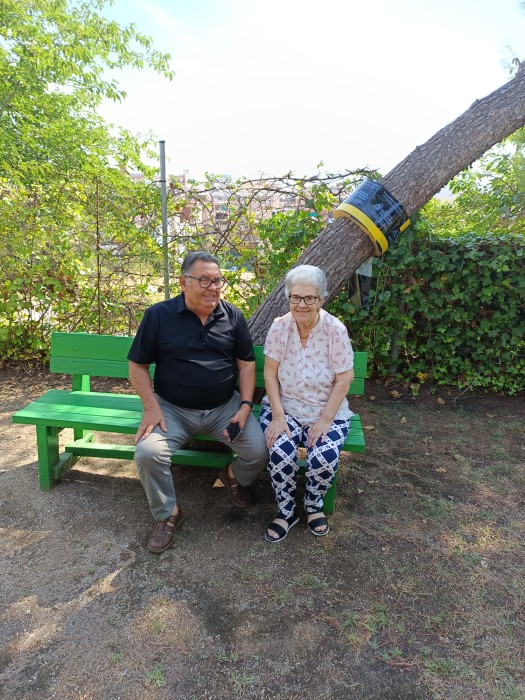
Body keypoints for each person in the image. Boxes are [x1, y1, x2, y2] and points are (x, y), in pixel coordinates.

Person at [128, 251, 268, 553]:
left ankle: (231, 475)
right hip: (172, 410)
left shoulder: (232, 316)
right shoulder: (158, 315)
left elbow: (246, 364)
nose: (212, 288)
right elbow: (137, 366)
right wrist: (151, 407)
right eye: (204, 280)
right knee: (148, 453)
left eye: (217, 281)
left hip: (224, 408)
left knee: (258, 452)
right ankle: (168, 514)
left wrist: (245, 406)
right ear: (183, 282)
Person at [260, 265, 355, 543]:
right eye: (295, 297)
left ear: (321, 299)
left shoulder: (335, 330)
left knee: (323, 457)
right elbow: (270, 373)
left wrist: (325, 420)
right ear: (289, 297)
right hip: (285, 408)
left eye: (309, 298)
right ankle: (286, 511)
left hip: (326, 411)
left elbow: (344, 378)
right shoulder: (280, 327)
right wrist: (278, 415)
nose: (301, 304)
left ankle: (313, 505)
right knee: (280, 451)